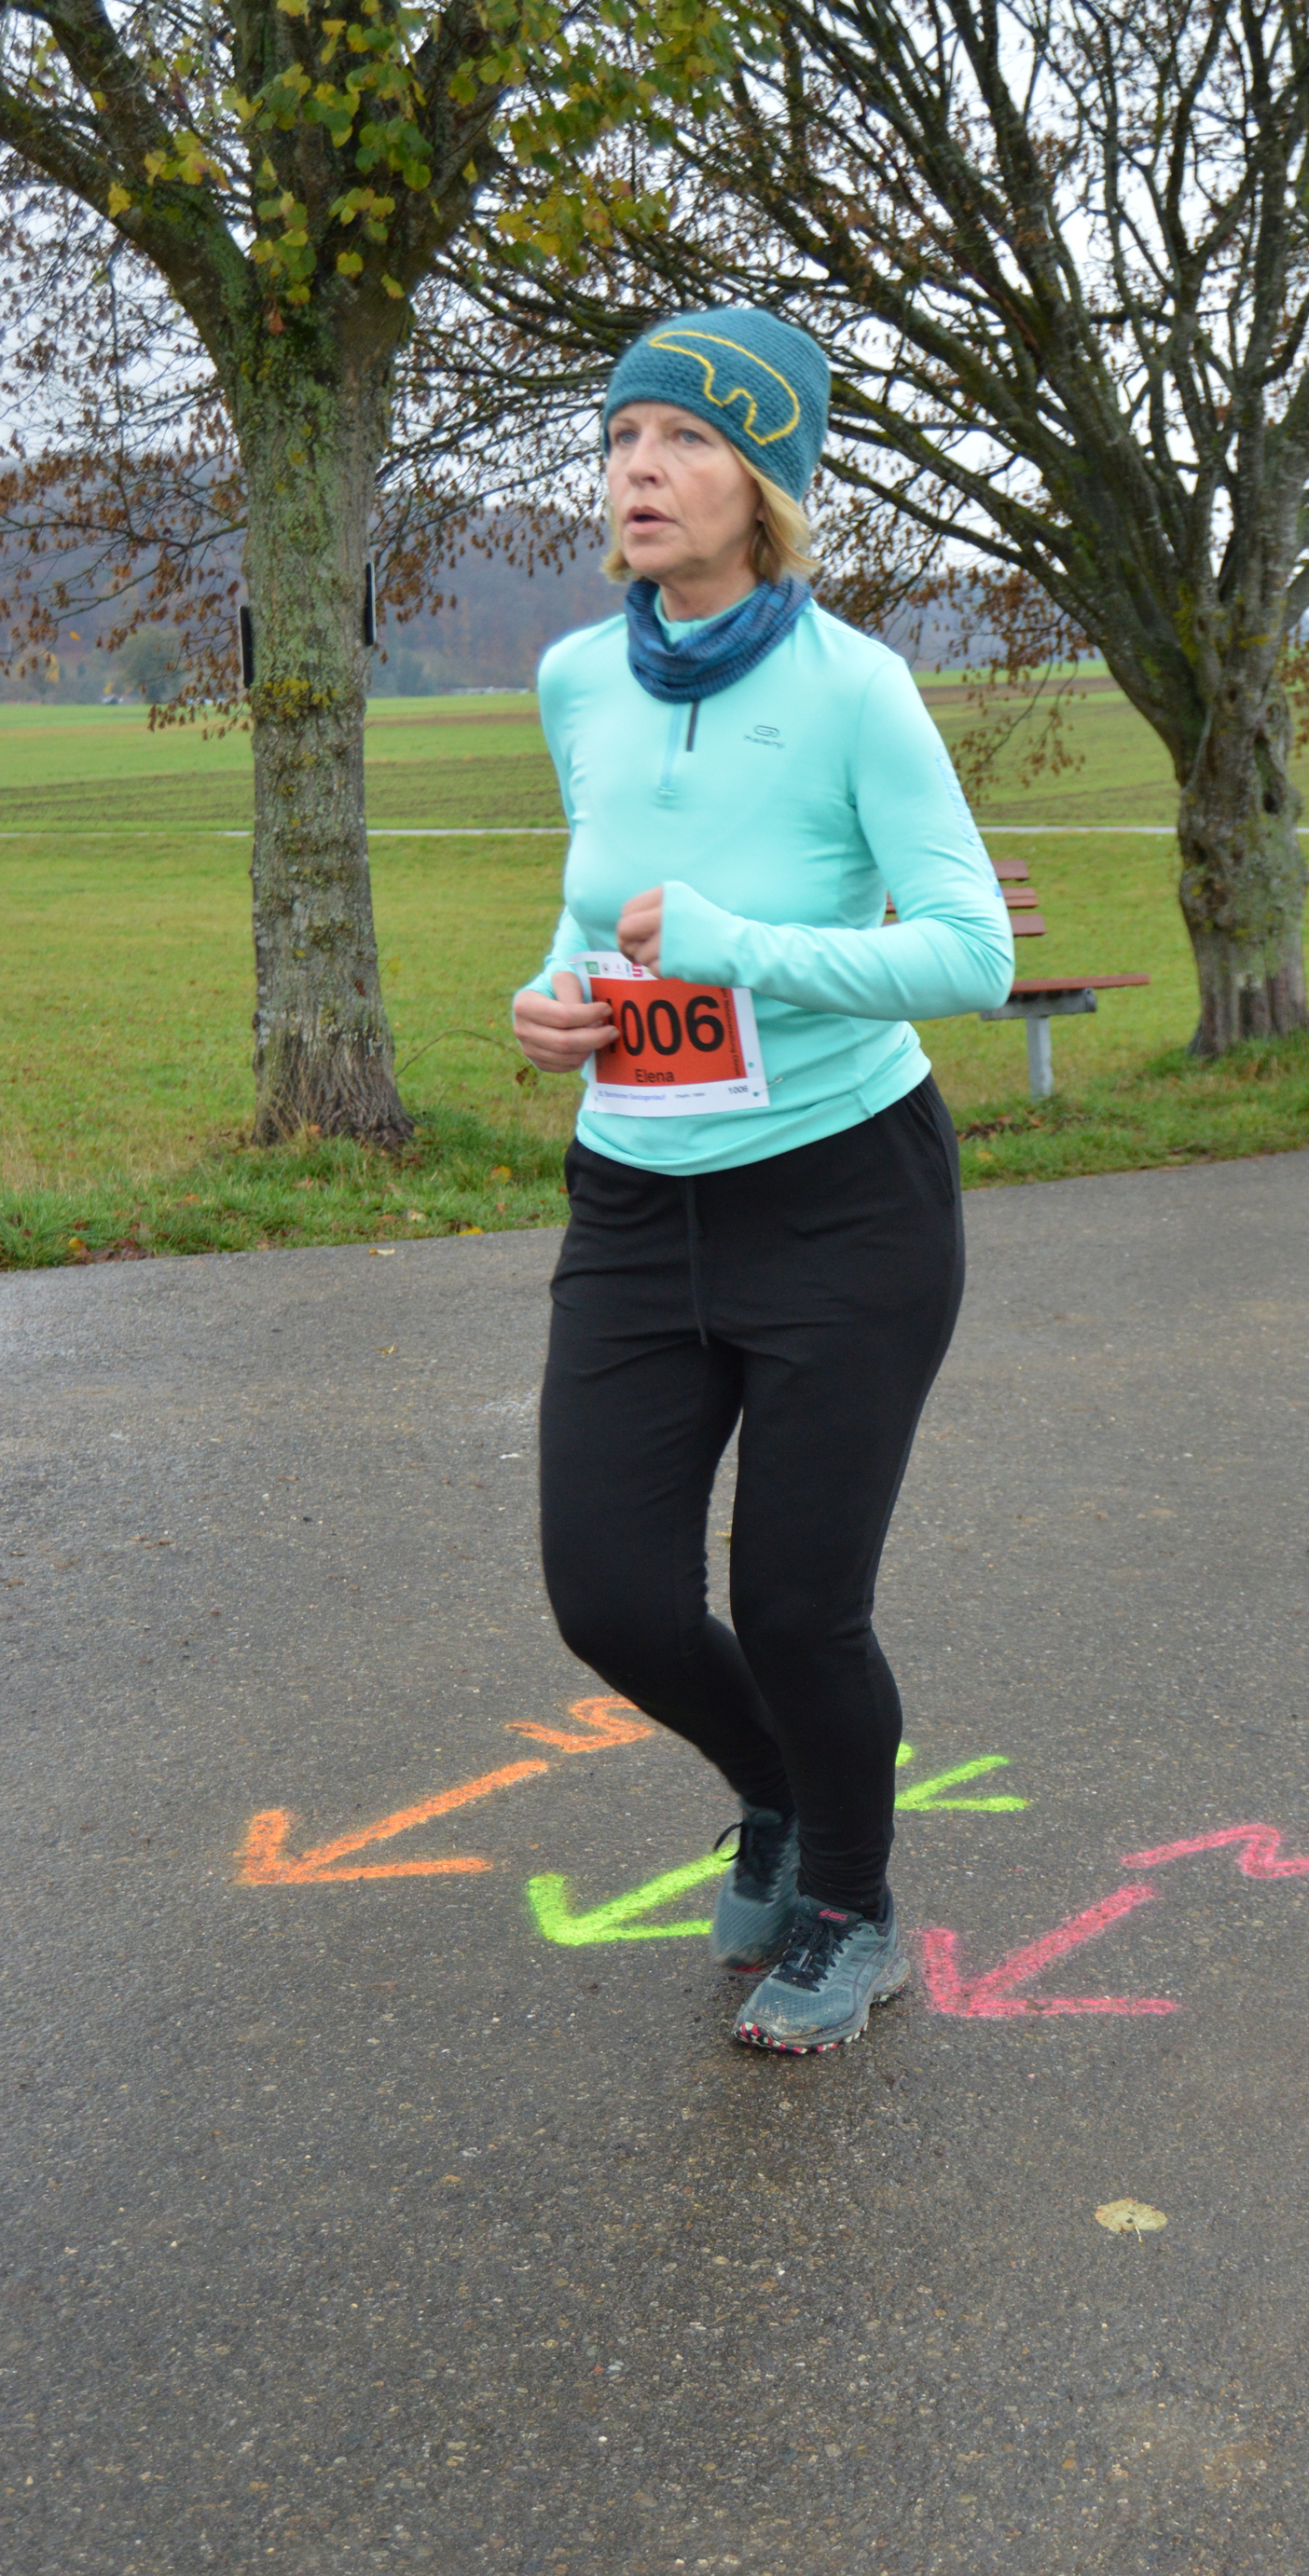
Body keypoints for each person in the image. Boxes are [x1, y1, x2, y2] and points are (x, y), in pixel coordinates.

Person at [511, 308, 1014, 2052]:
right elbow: (595, 901)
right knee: (612, 1596)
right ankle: (780, 1789)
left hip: (844, 1199)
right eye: (621, 435)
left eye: (688, 438)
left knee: (798, 1605)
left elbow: (970, 953)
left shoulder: (854, 688)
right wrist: (554, 995)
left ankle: (853, 1904)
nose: (638, 469)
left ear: (770, 483)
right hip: (636, 1195)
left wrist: (745, 947)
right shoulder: (579, 680)